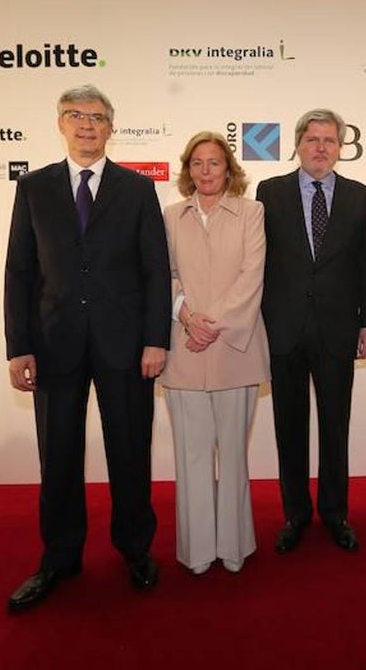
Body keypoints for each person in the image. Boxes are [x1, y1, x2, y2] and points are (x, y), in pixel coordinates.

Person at [3, 85, 171, 612]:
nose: (86, 124)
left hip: (126, 347)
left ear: (111, 127)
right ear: (60, 122)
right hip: (53, 345)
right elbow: (19, 271)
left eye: (97, 117)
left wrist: (155, 339)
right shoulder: (34, 187)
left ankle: (135, 549)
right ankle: (58, 557)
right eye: (76, 115)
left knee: (129, 451)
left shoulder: (137, 189)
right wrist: (18, 346)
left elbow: (155, 271)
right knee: (57, 457)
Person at [256, 108, 366, 554]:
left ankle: (335, 513)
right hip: (283, 331)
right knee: (288, 428)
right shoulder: (268, 192)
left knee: (335, 428)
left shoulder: (359, 195)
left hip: (337, 330)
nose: (321, 148)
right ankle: (295, 515)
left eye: (330, 140)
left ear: (341, 147)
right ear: (297, 143)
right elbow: (259, 264)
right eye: (313, 139)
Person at [159, 132, 269, 576]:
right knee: (192, 455)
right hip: (184, 351)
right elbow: (160, 274)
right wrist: (187, 316)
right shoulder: (169, 217)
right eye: (198, 164)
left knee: (234, 455)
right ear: (188, 171)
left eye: (215, 163)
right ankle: (197, 549)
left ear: (229, 170)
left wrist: (212, 324)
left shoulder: (252, 212)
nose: (206, 171)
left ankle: (235, 545)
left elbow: (251, 275)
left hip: (234, 350)